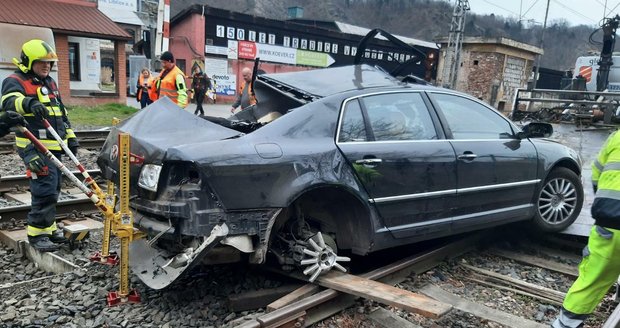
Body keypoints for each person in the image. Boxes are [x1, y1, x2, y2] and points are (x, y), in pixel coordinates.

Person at [1, 39, 78, 252]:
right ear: (28, 62)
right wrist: (29, 103)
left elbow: (61, 113)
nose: (46, 66)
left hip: (54, 147)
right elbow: (9, 102)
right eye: (41, 62)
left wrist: (70, 136)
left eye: (49, 63)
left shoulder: (50, 82)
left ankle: (49, 229)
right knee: (43, 191)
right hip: (34, 148)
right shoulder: (14, 80)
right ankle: (37, 235)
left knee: (53, 189)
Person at [552, 130, 620, 328]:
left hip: (609, 223)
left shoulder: (616, 137)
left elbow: (597, 174)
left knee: (590, 280)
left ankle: (565, 325)